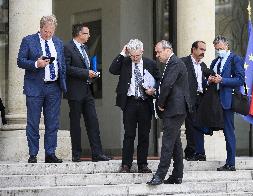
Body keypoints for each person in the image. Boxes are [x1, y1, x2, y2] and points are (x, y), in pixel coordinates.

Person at [17, 15, 67, 163]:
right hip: (35, 87)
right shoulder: (28, 40)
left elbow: (62, 63)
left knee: (52, 122)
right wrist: (36, 64)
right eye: (46, 31)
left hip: (54, 88)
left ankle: (50, 153)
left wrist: (62, 82)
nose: (48, 34)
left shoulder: (58, 42)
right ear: (41, 28)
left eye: (51, 32)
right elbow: (20, 61)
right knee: (33, 122)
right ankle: (33, 154)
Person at [109, 39, 161, 173]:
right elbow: (112, 69)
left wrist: (153, 90)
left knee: (144, 135)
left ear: (142, 51)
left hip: (145, 102)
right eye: (132, 55)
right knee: (129, 135)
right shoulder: (125, 62)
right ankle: (126, 164)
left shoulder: (150, 63)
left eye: (137, 55)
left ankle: (142, 164)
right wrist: (122, 53)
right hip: (130, 102)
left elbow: (159, 80)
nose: (135, 58)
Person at [64, 24, 111, 162]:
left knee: (93, 122)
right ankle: (76, 154)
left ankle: (97, 153)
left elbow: (87, 66)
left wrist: (93, 73)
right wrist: (86, 73)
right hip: (74, 91)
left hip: (87, 91)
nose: (89, 36)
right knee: (75, 123)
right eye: (86, 33)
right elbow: (66, 68)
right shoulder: (67, 47)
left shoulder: (85, 48)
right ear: (79, 34)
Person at [147, 40, 191, 185]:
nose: (157, 55)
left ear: (167, 50)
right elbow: (166, 85)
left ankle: (160, 175)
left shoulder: (175, 63)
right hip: (176, 108)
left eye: (159, 51)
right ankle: (177, 175)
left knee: (167, 143)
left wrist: (160, 103)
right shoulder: (171, 63)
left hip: (174, 108)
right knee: (175, 143)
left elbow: (167, 85)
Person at [208, 35, 245, 171]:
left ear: (227, 46)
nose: (219, 51)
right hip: (214, 101)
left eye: (221, 48)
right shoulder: (215, 62)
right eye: (217, 49)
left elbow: (240, 80)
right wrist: (211, 80)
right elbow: (211, 77)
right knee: (205, 124)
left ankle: (231, 163)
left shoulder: (235, 59)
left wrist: (222, 80)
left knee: (229, 131)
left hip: (227, 101)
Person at [181, 41, 209, 161]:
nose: (203, 52)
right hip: (188, 98)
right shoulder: (183, 62)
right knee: (191, 126)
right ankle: (191, 152)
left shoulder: (203, 66)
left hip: (201, 99)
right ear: (193, 49)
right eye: (201, 49)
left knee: (200, 126)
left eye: (204, 50)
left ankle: (199, 152)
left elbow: (204, 83)